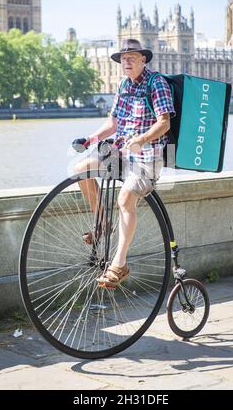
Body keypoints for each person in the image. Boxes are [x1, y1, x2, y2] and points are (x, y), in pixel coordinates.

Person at [74, 39, 175, 289]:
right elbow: (114, 123)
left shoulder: (156, 83)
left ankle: (119, 264)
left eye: (132, 56)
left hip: (148, 155)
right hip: (121, 152)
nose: (126, 61)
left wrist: (141, 139)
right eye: (123, 58)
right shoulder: (123, 85)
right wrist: (91, 139)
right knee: (79, 170)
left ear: (144, 59)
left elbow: (164, 123)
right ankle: (103, 223)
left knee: (125, 199)